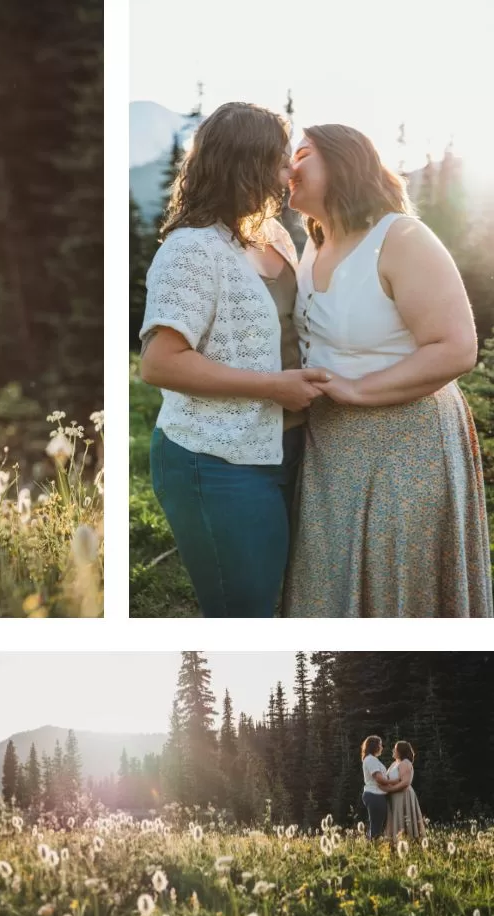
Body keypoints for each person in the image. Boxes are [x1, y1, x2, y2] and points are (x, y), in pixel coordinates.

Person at [283, 125, 492, 618]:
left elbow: (456, 347)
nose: (289, 169)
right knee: (327, 579)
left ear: (344, 163)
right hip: (330, 443)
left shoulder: (399, 236)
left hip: (407, 441)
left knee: (399, 582)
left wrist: (358, 389)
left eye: (304, 155)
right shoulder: (314, 242)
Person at [138, 102, 331, 618]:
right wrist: (274, 387)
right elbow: (160, 364)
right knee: (243, 613)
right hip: (215, 461)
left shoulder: (272, 235)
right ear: (244, 162)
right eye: (277, 159)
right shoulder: (193, 249)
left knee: (288, 604)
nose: (288, 170)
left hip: (287, 449)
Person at [382, 740, 425, 844]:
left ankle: (408, 842)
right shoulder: (394, 764)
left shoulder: (405, 763)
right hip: (394, 797)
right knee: (395, 819)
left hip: (403, 796)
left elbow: (406, 782)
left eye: (395, 749)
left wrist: (390, 790)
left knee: (404, 818)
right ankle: (394, 843)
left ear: (401, 751)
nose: (393, 750)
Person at [360, 733, 389, 839]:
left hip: (375, 795)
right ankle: (373, 849)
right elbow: (379, 778)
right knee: (376, 827)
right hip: (375, 794)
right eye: (380, 745)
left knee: (375, 825)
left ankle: (372, 847)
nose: (382, 747)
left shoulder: (372, 759)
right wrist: (395, 781)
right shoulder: (370, 759)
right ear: (374, 746)